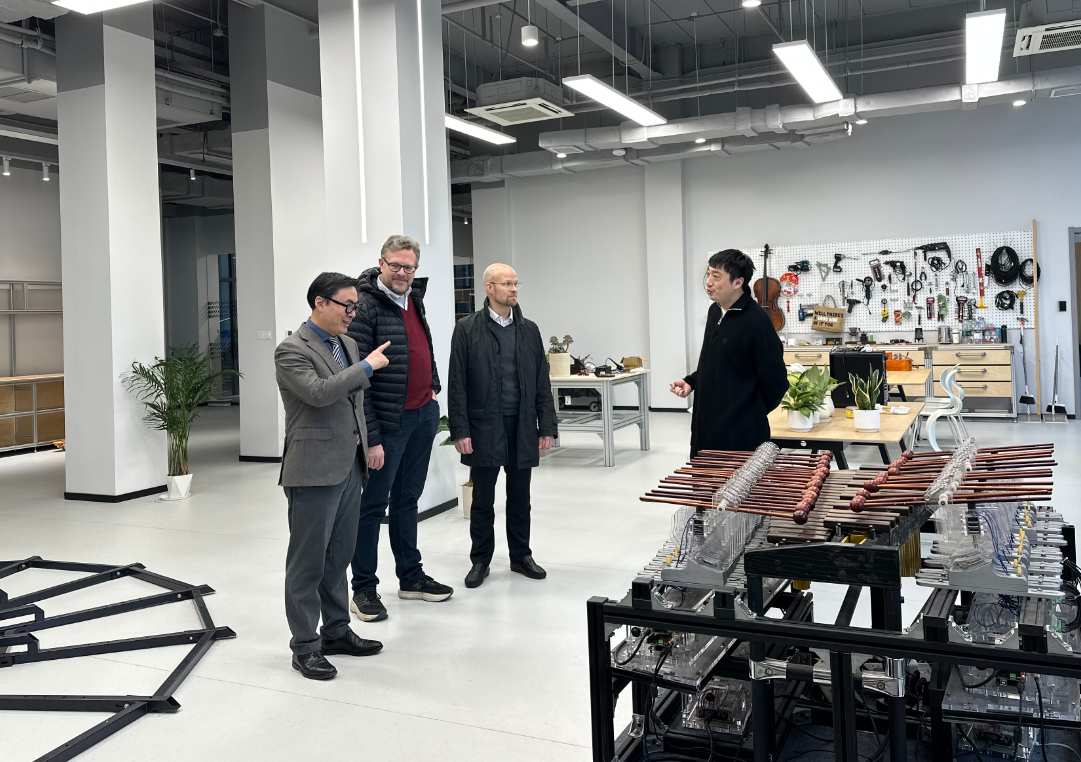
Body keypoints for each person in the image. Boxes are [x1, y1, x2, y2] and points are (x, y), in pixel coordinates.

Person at [274, 272, 391, 680]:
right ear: (320, 303)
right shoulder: (291, 350)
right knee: (307, 563)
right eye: (347, 305)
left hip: (349, 465)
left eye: (355, 306)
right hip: (312, 469)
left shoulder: (348, 344)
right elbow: (319, 393)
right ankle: (305, 647)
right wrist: (367, 366)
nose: (352, 313)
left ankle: (337, 631)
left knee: (339, 556)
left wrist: (367, 446)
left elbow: (354, 403)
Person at [345, 235, 453, 623]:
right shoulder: (365, 306)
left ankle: (411, 578)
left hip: (423, 414)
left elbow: (423, 346)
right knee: (372, 506)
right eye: (395, 265)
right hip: (389, 423)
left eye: (409, 266)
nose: (402, 272)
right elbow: (358, 378)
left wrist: (433, 385)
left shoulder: (413, 298)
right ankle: (363, 589)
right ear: (381, 263)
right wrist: (371, 438)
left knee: (408, 500)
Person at [447, 263, 558, 589]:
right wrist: (460, 430)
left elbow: (541, 381)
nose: (513, 289)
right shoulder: (467, 329)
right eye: (507, 284)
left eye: (515, 283)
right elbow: (457, 383)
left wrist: (546, 425)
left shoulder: (529, 330)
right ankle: (480, 560)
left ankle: (521, 556)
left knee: (520, 497)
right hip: (484, 427)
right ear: (489, 288)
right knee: (482, 499)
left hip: (522, 425)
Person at [670, 249, 788, 457]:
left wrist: (751, 412)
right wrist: (692, 381)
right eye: (708, 274)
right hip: (705, 428)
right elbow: (714, 361)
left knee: (739, 480)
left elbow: (776, 381)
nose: (708, 282)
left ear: (738, 282)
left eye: (716, 276)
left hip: (741, 435)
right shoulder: (714, 311)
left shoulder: (756, 321)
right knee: (703, 477)